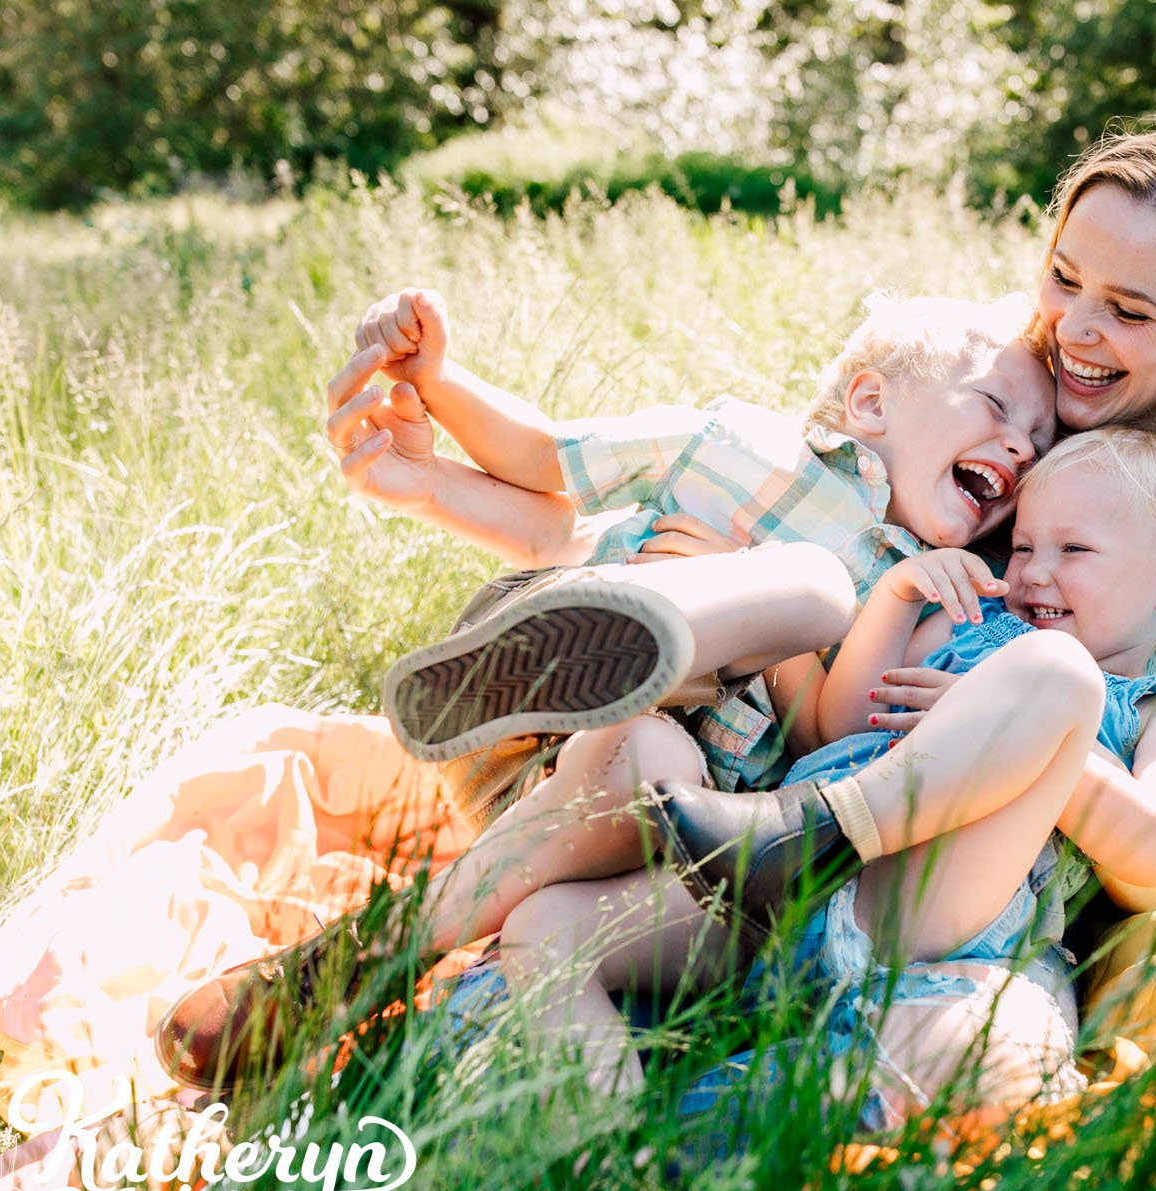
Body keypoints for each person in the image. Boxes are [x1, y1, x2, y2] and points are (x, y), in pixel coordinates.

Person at [155, 289, 1056, 1093]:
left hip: (658, 806)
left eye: (1041, 444)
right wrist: (438, 382)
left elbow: (830, 733)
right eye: (997, 405)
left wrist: (797, 608)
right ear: (870, 400)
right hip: (552, 733)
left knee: (711, 698)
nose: (1021, 444)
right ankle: (581, 639)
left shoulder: (923, 582)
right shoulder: (737, 443)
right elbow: (549, 469)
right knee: (811, 583)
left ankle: (357, 968)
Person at [494, 428, 1156, 1120]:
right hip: (783, 906)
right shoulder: (969, 624)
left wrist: (1023, 735)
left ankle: (807, 843)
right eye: (1022, 548)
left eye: (1075, 552)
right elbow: (841, 726)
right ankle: (601, 1154)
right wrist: (897, 597)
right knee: (546, 928)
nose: (1032, 574)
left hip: (926, 920)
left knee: (1059, 677)